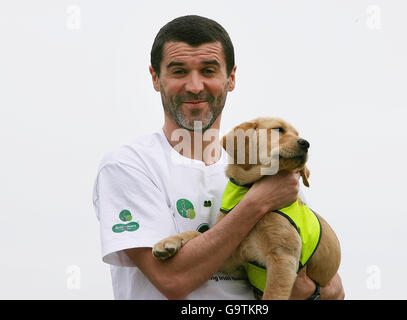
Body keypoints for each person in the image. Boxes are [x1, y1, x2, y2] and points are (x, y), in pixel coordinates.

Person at [92, 15, 344, 300]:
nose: (195, 86)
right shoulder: (129, 165)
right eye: (179, 71)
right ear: (155, 78)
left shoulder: (267, 170)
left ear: (231, 78)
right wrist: (257, 203)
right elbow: (172, 279)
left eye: (209, 70)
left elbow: (332, 288)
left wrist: (312, 293)